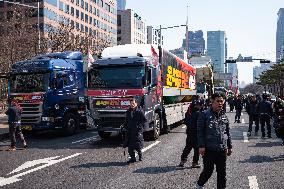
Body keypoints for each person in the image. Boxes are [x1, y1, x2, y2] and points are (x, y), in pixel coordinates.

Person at [196, 93, 232, 189]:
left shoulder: (224, 115)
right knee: (208, 171)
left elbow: (227, 132)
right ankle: (199, 185)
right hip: (209, 149)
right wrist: (201, 146)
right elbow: (200, 132)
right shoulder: (204, 114)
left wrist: (229, 146)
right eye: (218, 101)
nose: (220, 103)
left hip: (222, 149)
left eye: (222, 101)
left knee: (222, 173)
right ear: (212, 102)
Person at [178, 100, 203, 168]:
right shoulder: (198, 113)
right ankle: (194, 163)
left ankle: (182, 161)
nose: (201, 106)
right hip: (196, 133)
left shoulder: (188, 113)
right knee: (197, 149)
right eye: (200, 105)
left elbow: (186, 122)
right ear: (196, 105)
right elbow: (200, 124)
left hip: (189, 133)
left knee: (187, 147)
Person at [123, 97, 147, 163]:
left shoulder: (140, 111)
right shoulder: (128, 112)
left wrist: (139, 127)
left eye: (133, 103)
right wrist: (124, 126)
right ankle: (133, 158)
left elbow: (144, 120)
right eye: (131, 103)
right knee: (130, 147)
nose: (132, 105)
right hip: (130, 131)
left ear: (136, 103)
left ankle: (140, 155)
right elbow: (126, 121)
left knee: (138, 146)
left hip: (137, 131)